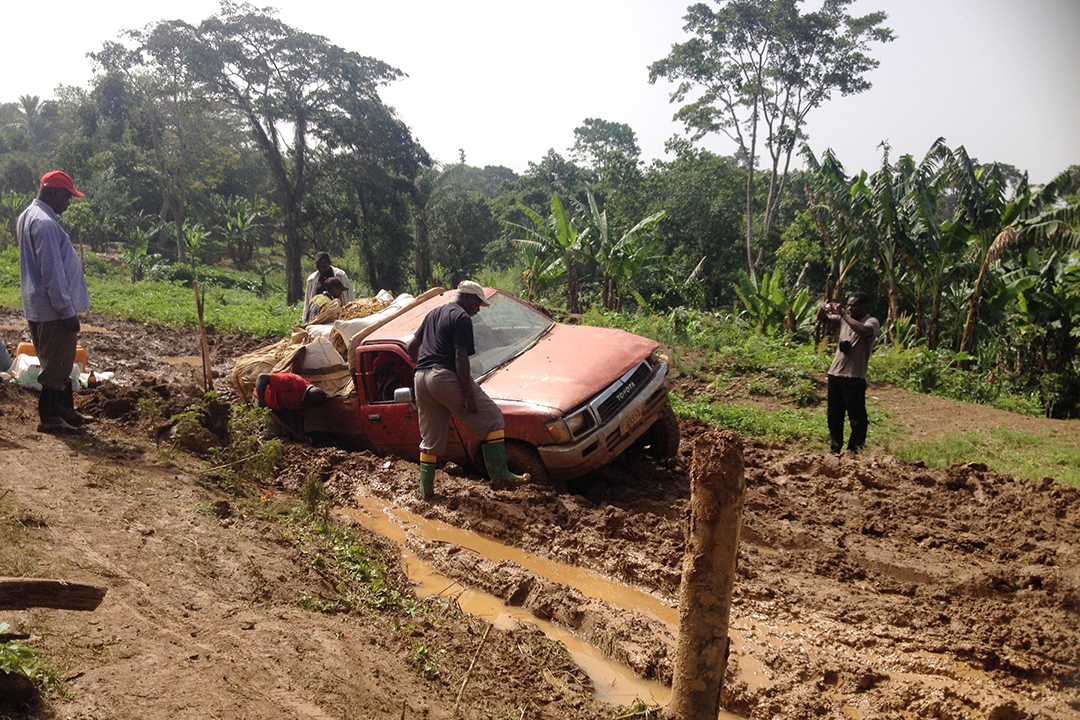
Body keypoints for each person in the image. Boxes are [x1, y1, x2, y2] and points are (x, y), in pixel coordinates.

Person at [406, 281, 527, 498]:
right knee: (493, 418)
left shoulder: (433, 314)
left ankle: (426, 492)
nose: (477, 310)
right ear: (469, 298)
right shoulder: (460, 317)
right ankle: (500, 476)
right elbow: (460, 358)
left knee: (431, 440)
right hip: (443, 376)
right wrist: (468, 394)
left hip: (421, 378)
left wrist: (422, 366)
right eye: (478, 304)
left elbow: (411, 347)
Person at [17, 171, 92, 433]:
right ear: (55, 193)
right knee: (56, 365)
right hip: (52, 309)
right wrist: (66, 310)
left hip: (38, 304)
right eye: (67, 197)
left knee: (61, 361)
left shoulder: (29, 215)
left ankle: (64, 410)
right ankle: (49, 418)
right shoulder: (46, 224)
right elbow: (52, 272)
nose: (68, 203)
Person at [818, 291, 880, 453]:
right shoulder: (844, 320)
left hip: (854, 376)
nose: (850, 308)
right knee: (834, 415)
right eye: (849, 305)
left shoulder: (871, 322)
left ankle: (854, 449)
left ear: (864, 306)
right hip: (835, 374)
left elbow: (862, 330)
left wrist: (843, 314)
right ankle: (835, 447)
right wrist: (822, 310)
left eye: (854, 305)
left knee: (857, 417)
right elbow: (823, 320)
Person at [255, 372, 328, 438]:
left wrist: (300, 433)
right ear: (307, 399)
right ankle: (261, 425)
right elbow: (262, 377)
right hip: (267, 402)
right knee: (273, 435)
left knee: (290, 429)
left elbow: (301, 414)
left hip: (282, 406)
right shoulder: (291, 382)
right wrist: (261, 401)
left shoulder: (310, 397)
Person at [302, 252, 354, 322]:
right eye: (319, 266)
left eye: (324, 266)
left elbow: (349, 296)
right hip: (320, 317)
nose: (322, 269)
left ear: (329, 263)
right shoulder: (312, 279)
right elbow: (308, 301)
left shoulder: (340, 275)